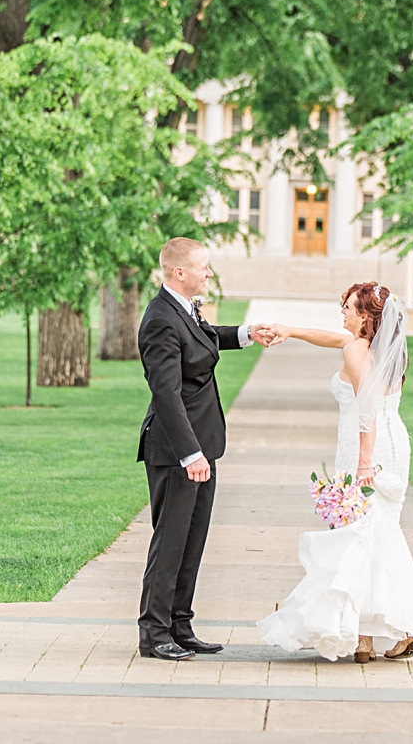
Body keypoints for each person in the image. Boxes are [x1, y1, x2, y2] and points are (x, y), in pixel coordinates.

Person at [257, 282, 413, 662]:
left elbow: (366, 410)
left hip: (366, 447)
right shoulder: (378, 348)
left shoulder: (356, 350)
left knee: (366, 535)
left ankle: (406, 627)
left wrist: (363, 463)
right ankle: (370, 635)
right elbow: (336, 340)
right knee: (370, 536)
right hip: (391, 443)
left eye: (346, 307)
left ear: (364, 316)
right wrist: (291, 330)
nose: (341, 312)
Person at [136, 237, 273, 661]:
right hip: (178, 450)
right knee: (170, 541)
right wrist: (190, 453)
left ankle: (180, 624)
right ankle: (154, 633)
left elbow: (202, 338)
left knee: (192, 540)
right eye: (204, 267)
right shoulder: (160, 319)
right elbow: (166, 393)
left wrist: (246, 334)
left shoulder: (183, 309)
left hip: (202, 444)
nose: (209, 273)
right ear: (180, 272)